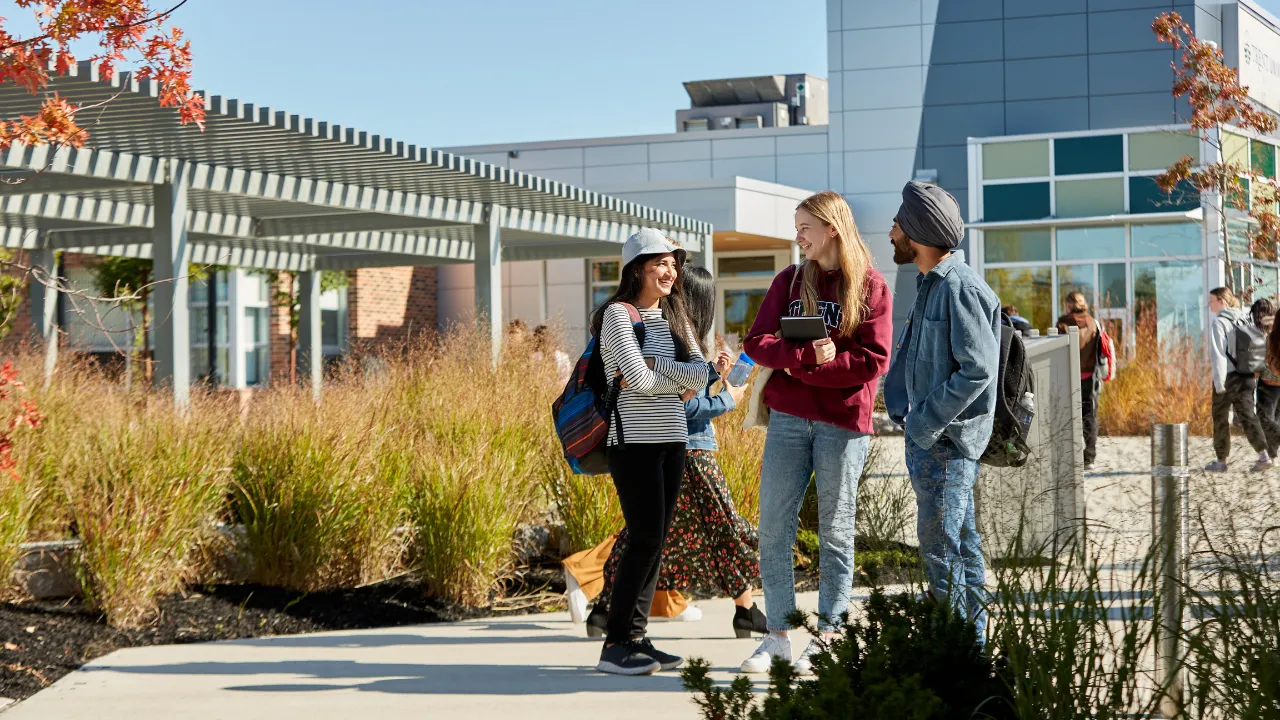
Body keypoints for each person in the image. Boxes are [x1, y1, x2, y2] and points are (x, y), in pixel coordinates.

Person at [738, 191, 893, 675]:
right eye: (796, 225)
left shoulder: (869, 286)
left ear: (832, 228)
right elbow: (758, 342)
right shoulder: (789, 280)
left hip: (843, 424)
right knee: (773, 527)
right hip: (787, 421)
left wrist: (816, 372)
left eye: (805, 226)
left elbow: (874, 360)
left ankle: (829, 635)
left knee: (835, 530)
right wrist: (805, 360)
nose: (798, 235)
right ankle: (778, 636)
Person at [573, 265, 769, 640]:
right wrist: (727, 398)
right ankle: (610, 613)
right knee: (717, 526)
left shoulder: (677, 334)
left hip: (683, 446)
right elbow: (671, 401)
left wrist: (713, 377)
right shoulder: (650, 326)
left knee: (659, 533)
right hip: (688, 447)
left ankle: (610, 614)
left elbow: (684, 388)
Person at [883, 181, 1000, 640]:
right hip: (934, 442)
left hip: (946, 446)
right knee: (961, 548)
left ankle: (955, 657)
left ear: (919, 231)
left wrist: (922, 422)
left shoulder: (960, 288)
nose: (891, 230)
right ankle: (972, 652)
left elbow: (978, 370)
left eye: (898, 222)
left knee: (942, 553)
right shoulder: (932, 284)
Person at [591, 228, 709, 676]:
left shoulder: (676, 316)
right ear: (636, 268)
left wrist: (660, 368)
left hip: (673, 440)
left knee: (655, 541)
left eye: (673, 263)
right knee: (642, 539)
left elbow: (698, 379)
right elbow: (635, 383)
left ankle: (637, 637)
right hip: (633, 443)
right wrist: (671, 378)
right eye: (660, 262)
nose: (670, 271)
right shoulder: (618, 316)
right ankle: (615, 643)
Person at [1206, 287, 1272, 472]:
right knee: (1248, 416)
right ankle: (1263, 456)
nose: (1209, 304)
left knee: (1220, 418)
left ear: (1222, 301)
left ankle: (1221, 461)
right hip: (1248, 376)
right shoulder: (1245, 318)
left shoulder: (1219, 323)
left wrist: (1219, 383)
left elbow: (1217, 354)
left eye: (1211, 300)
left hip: (1228, 377)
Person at [1056, 292, 1100, 469]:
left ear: (1068, 305)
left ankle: (1068, 455)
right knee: (1089, 416)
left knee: (1066, 415)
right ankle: (1089, 457)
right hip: (1089, 376)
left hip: (1068, 375)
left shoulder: (1063, 322)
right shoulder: (1093, 323)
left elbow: (1058, 349)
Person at [1253, 299, 1280, 461]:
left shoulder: (1270, 339)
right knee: (1276, 418)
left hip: (1268, 385)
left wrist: (1254, 375)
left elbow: (1261, 362)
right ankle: (1271, 456)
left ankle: (1274, 448)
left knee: (1264, 418)